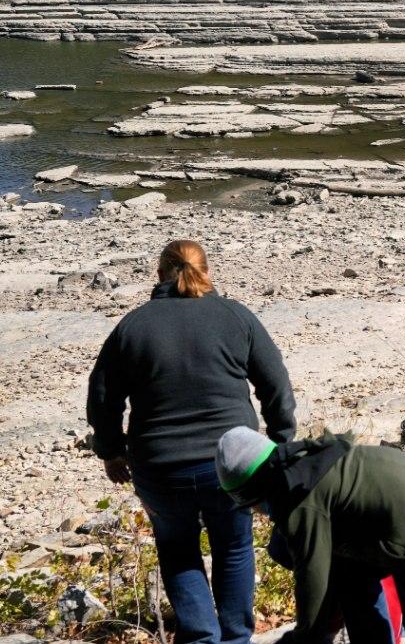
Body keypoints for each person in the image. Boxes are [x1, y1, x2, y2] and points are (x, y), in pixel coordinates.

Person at [87, 241, 295, 644]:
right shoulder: (236, 317)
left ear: (159, 273)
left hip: (161, 466)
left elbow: (103, 398)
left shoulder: (133, 326)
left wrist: (110, 450)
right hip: (233, 462)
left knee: (177, 548)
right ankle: (236, 637)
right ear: (206, 270)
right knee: (234, 548)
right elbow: (276, 385)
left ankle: (201, 638)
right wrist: (281, 442)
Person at [216, 427, 405, 644]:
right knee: (354, 584)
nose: (255, 512)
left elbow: (313, 583)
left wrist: (306, 637)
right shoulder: (304, 462)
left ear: (251, 492)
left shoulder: (300, 503)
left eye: (247, 504)